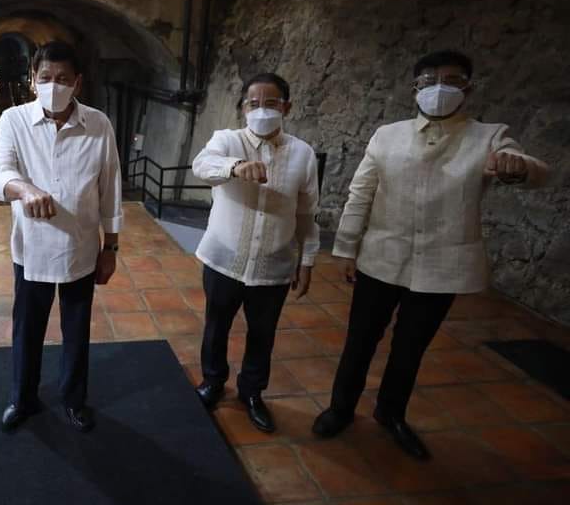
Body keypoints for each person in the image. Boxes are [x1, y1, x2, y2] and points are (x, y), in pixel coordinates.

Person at [313, 50, 550, 459]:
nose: (439, 88)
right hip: (382, 258)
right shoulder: (387, 135)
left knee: (411, 347)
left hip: (442, 266)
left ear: (468, 89)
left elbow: (536, 172)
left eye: (451, 80)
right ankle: (341, 408)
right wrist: (346, 248)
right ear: (415, 89)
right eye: (428, 81)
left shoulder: (488, 137)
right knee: (360, 340)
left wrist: (519, 166)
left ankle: (391, 412)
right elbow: (361, 193)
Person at [0, 40, 123, 433]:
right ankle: (22, 398)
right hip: (32, 247)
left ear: (77, 82)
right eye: (46, 77)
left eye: (63, 78)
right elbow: (0, 172)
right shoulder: (14, 120)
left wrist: (111, 247)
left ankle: (74, 399)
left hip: (81, 247)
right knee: (27, 329)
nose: (54, 85)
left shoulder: (98, 124)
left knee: (76, 332)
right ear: (34, 80)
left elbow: (110, 188)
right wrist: (24, 189)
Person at [190, 73, 320, 433]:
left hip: (273, 263)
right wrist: (234, 166)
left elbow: (307, 213)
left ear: (287, 107)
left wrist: (307, 260)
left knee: (263, 333)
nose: (262, 110)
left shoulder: (302, 154)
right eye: (254, 103)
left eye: (271, 103)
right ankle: (213, 381)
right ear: (243, 108)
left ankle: (251, 392)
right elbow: (202, 165)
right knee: (216, 326)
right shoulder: (227, 140)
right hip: (224, 259)